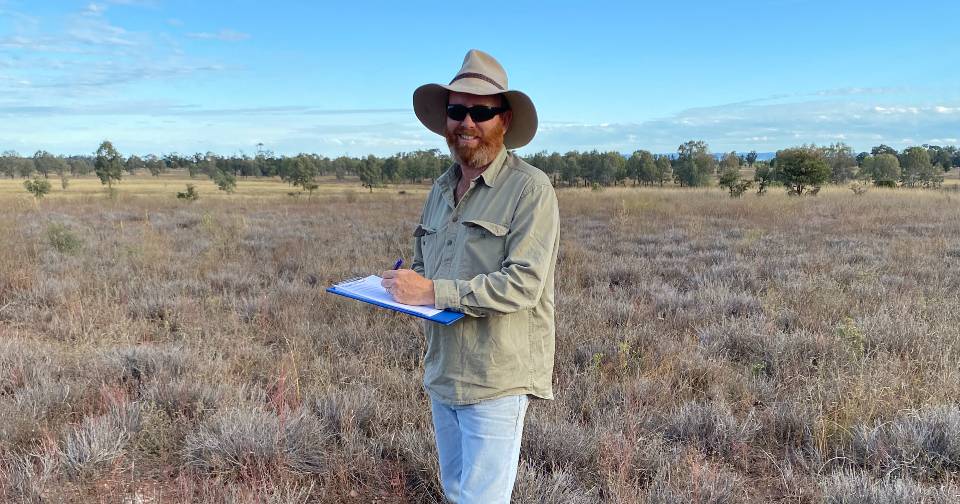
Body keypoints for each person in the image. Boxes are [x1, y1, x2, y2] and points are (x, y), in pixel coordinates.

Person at [380, 49, 560, 503]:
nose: (467, 122)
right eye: (457, 110)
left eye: (481, 111)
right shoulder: (441, 189)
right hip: (443, 371)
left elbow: (524, 283)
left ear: (505, 119)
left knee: (480, 498)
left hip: (495, 376)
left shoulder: (530, 189)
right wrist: (404, 286)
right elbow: (425, 263)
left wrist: (432, 290)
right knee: (455, 489)